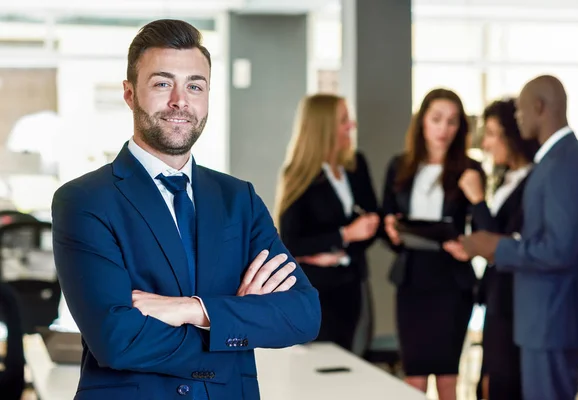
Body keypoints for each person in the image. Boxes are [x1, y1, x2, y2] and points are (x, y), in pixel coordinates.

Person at [52, 19, 320, 400]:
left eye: (195, 86)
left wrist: (192, 310)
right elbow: (116, 339)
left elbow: (303, 314)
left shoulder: (238, 199)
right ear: (129, 94)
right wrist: (235, 324)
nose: (181, 101)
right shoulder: (84, 200)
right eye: (162, 84)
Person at [460, 75, 578, 400]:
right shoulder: (557, 160)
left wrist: (495, 247)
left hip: (553, 318)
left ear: (539, 107)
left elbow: (558, 250)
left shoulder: (565, 162)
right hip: (546, 318)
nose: (518, 119)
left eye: (521, 112)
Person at [381, 88, 483, 400]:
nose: (443, 129)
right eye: (436, 119)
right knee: (414, 376)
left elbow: (483, 230)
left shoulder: (469, 169)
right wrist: (391, 231)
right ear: (422, 122)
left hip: (451, 282)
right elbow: (386, 220)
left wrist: (467, 246)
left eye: (452, 122)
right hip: (412, 281)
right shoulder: (399, 167)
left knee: (449, 377)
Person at [445, 98, 538, 399]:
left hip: (515, 300)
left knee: (501, 383)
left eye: (492, 134)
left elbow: (500, 241)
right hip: (496, 296)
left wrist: (477, 200)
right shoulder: (506, 178)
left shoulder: (534, 182)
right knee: (488, 382)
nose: (484, 143)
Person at [275, 94, 379, 353]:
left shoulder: (356, 166)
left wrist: (361, 232)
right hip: (316, 290)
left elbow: (370, 222)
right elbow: (289, 242)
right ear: (324, 127)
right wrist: (343, 235)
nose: (351, 126)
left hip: (353, 283)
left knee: (352, 361)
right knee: (321, 365)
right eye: (344, 120)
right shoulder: (298, 175)